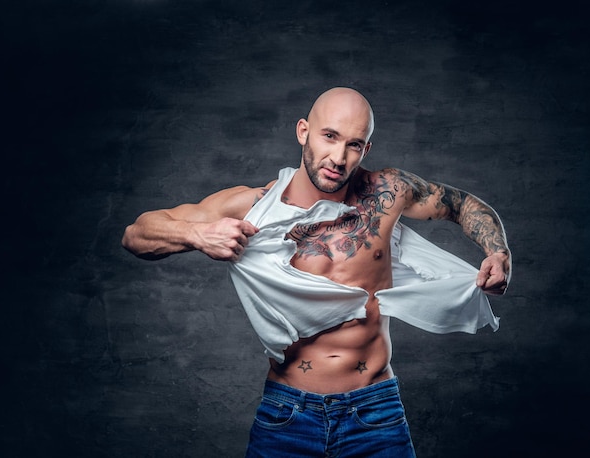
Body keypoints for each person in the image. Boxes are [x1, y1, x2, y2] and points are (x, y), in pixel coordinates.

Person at [122, 87, 511, 457]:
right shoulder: (254, 206)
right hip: (287, 413)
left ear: (366, 149)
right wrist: (196, 234)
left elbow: (462, 204)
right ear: (303, 132)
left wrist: (497, 251)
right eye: (329, 136)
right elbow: (136, 234)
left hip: (375, 410)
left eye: (353, 144)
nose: (338, 157)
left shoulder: (386, 192)